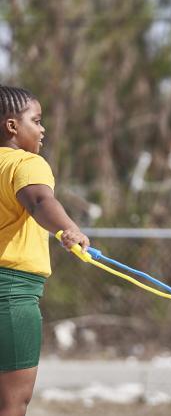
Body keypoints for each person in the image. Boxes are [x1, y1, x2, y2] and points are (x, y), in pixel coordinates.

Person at [0, 84, 90, 416]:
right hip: (10, 295)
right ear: (12, 126)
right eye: (36, 120)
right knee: (11, 403)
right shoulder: (25, 163)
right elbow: (39, 201)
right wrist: (69, 228)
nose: (42, 129)